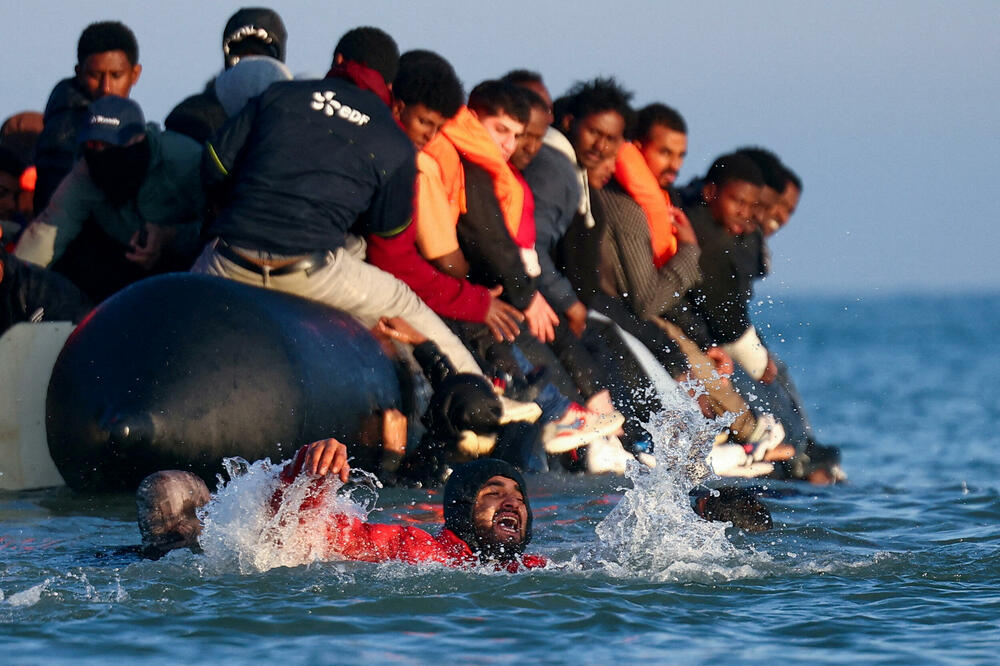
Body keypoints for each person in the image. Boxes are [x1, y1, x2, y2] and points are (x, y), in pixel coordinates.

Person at [192, 26, 485, 379]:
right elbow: (390, 251)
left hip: (228, 262)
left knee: (177, 308)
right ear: (390, 88)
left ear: (339, 61)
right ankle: (480, 395)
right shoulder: (393, 141)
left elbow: (213, 164)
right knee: (399, 298)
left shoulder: (278, 96)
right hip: (309, 272)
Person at [134, 438, 546, 571]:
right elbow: (291, 535)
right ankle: (176, 536)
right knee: (167, 489)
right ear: (459, 509)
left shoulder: (537, 570)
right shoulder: (413, 548)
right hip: (195, 562)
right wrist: (309, 476)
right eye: (493, 492)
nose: (512, 501)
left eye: (518, 496)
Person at [14, 96, 204, 302]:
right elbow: (49, 231)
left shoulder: (186, 160)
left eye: (111, 144)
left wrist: (170, 236)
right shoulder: (86, 172)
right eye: (93, 144)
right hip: (119, 268)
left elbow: (217, 222)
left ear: (138, 139)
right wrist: (11, 282)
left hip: (188, 271)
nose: (100, 153)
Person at [33, 21, 142, 213]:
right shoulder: (65, 127)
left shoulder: (122, 120)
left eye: (116, 75)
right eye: (95, 75)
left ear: (135, 74)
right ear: (79, 73)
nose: (106, 87)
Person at [165, 7, 288, 142]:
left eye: (258, 58)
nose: (252, 70)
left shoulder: (297, 116)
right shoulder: (194, 118)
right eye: (243, 57)